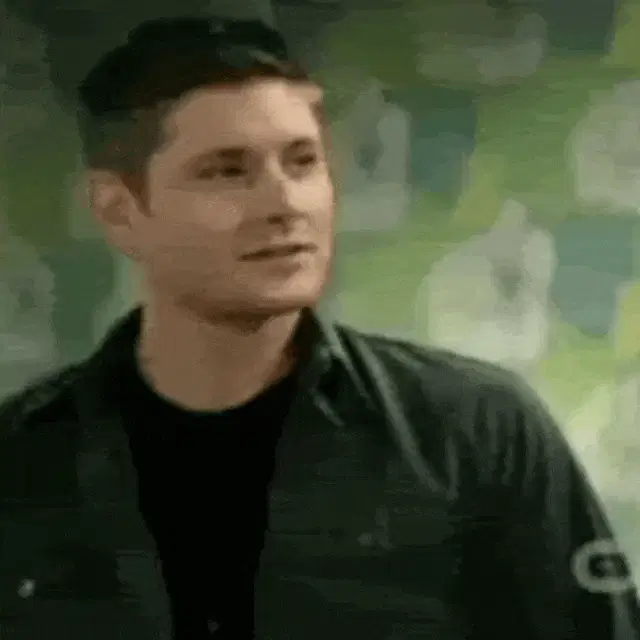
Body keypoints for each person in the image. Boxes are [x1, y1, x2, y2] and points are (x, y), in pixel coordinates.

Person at [0, 16, 637, 640]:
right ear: (119, 210)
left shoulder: (476, 433)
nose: (284, 204)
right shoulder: (20, 461)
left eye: (302, 162)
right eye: (227, 171)